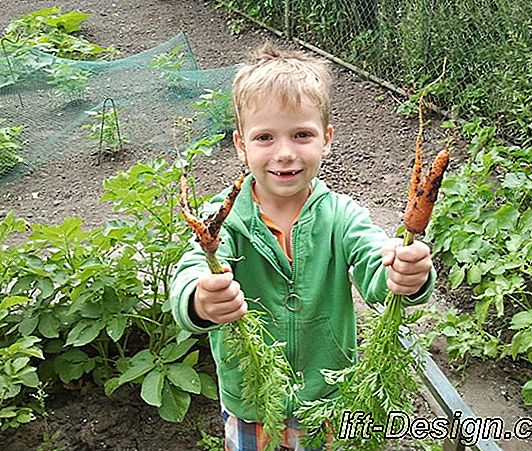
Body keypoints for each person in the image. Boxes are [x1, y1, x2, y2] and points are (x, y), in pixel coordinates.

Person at [170, 43, 436, 450]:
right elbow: (192, 266)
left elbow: (376, 262)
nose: (285, 153)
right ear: (241, 145)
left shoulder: (341, 216)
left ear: (326, 139)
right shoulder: (224, 219)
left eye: (301, 135)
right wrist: (198, 299)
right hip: (254, 403)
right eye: (265, 137)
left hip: (328, 400)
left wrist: (405, 271)